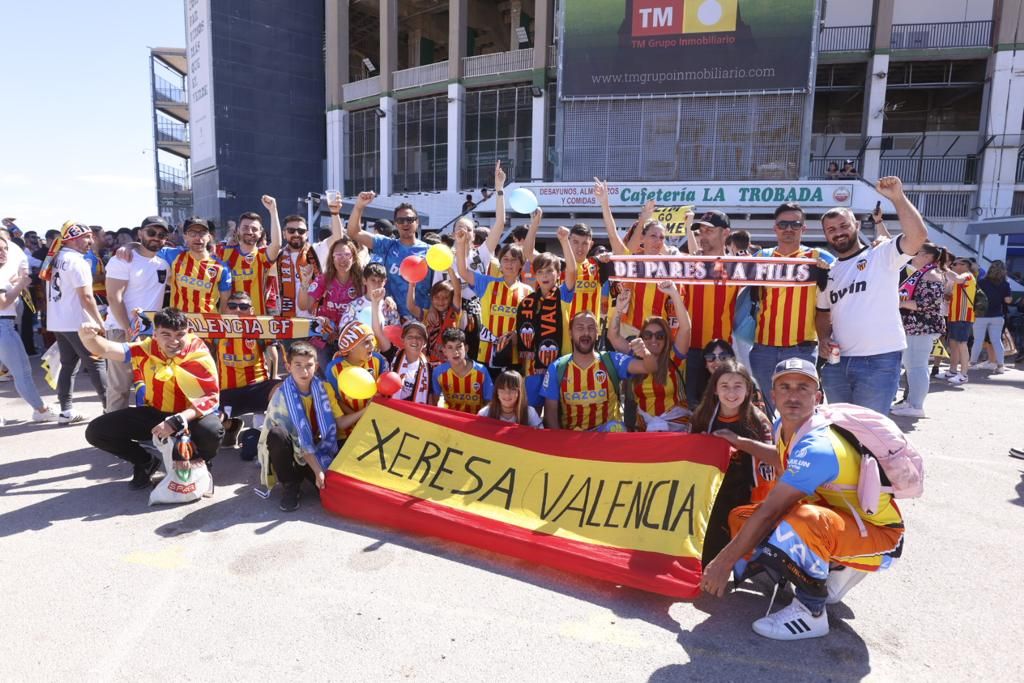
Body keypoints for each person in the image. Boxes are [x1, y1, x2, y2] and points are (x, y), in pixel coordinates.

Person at [701, 358, 904, 641]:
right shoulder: (784, 425)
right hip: (840, 522)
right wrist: (740, 442)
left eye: (803, 388)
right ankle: (821, 575)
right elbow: (781, 456)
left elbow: (772, 511)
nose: (793, 395)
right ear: (773, 395)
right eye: (784, 387)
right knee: (741, 516)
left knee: (798, 521)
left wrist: (722, 563)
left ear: (817, 397)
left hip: (879, 536)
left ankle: (811, 612)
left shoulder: (818, 446)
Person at [815, 177, 928, 414]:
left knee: (871, 434)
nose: (838, 233)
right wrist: (824, 338)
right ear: (825, 235)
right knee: (842, 432)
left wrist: (898, 198)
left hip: (878, 362)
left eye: (844, 226)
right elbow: (823, 312)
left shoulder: (881, 254)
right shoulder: (830, 271)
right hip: (837, 363)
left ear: (856, 225)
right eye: (831, 230)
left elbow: (917, 237)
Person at [80, 308, 224, 489]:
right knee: (97, 431)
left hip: (191, 417)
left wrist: (177, 421)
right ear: (155, 334)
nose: (174, 341)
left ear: (188, 332)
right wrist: (88, 338)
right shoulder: (146, 348)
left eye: (180, 334)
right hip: (156, 413)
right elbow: (107, 349)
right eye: (166, 334)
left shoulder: (197, 352)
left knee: (211, 430)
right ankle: (145, 462)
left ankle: (201, 464)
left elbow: (210, 397)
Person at [749, 203, 836, 417]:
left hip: (801, 347)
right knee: (767, 409)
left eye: (795, 224)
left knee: (801, 409)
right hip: (763, 346)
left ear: (803, 228)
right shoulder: (762, 258)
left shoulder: (820, 258)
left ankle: (797, 449)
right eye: (783, 224)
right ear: (775, 228)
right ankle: (773, 449)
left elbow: (851, 272)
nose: (789, 229)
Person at [259, 341, 365, 511]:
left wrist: (366, 411)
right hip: (293, 452)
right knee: (277, 435)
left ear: (316, 366)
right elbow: (300, 440)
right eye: (298, 365)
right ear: (288, 366)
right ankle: (290, 485)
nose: (304, 371)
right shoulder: (281, 396)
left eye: (309, 365)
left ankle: (312, 474)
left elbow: (339, 423)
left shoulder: (325, 388)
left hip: (318, 448)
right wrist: (318, 471)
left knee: (335, 494)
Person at [692, 360, 773, 564]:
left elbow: (770, 466)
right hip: (710, 491)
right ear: (715, 390)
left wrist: (738, 442)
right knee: (705, 559)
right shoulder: (702, 417)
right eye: (724, 386)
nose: (731, 392)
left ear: (748, 390)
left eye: (738, 386)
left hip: (747, 493)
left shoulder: (759, 421)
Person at [541, 311, 657, 431]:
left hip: (608, 440)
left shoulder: (612, 360)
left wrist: (645, 353)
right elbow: (550, 417)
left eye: (591, 328)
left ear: (598, 333)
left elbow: (651, 367)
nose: (586, 333)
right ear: (570, 333)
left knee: (616, 428)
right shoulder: (557, 368)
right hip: (573, 442)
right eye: (580, 328)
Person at [41, 221, 108, 422]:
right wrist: (100, 322)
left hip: (59, 321)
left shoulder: (56, 257)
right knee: (97, 364)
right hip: (78, 323)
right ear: (74, 239)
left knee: (68, 366)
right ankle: (110, 409)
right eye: (87, 237)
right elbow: (86, 297)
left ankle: (66, 410)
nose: (91, 240)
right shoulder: (78, 261)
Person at [103, 216, 170, 412]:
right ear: (140, 233)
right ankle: (113, 436)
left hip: (151, 333)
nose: (156, 238)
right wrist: (128, 328)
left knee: (151, 386)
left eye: (161, 235)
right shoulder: (123, 260)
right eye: (151, 233)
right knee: (119, 388)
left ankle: (147, 434)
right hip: (121, 330)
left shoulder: (163, 264)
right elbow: (114, 297)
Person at [607, 282, 691, 432]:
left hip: (675, 425)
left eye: (659, 336)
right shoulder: (635, 354)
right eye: (648, 335)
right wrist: (619, 309)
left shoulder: (674, 355)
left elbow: (685, 328)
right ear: (641, 338)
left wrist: (674, 294)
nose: (653, 340)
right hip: (644, 426)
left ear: (666, 338)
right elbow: (613, 337)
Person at [455, 217, 531, 374]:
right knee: (488, 396)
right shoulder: (487, 283)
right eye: (506, 260)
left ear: (521, 264)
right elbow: (463, 271)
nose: (509, 264)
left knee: (510, 395)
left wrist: (518, 337)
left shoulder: (528, 292)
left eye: (514, 260)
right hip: (485, 353)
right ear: (500, 263)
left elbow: (530, 324)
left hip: (514, 356)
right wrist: (461, 244)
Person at [0, 234, 57, 425]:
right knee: (22, 371)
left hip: (5, 324)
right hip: (3, 325)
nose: (3, 253)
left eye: (5, 248)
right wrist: (21, 285)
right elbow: (3, 303)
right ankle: (41, 410)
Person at [347, 191, 430, 320]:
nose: (405, 223)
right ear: (395, 224)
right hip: (391, 317)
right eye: (400, 220)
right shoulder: (387, 245)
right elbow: (354, 232)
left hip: (420, 319)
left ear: (417, 222)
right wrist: (359, 206)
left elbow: (438, 287)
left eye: (410, 219)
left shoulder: (429, 251)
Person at [215, 292, 281, 446]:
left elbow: (273, 353)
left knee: (283, 390)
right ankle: (231, 426)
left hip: (257, 387)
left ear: (251, 310)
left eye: (243, 307)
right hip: (228, 391)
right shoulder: (216, 329)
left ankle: (266, 441)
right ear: (226, 309)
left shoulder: (260, 327)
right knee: (209, 424)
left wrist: (275, 376)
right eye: (232, 306)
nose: (237, 310)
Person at [893, 243, 949, 418]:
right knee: (912, 365)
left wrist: (899, 303)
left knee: (917, 366)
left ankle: (916, 405)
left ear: (927, 256)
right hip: (915, 326)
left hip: (921, 327)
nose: (913, 256)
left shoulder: (931, 275)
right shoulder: (925, 273)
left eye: (917, 253)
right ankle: (911, 402)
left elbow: (927, 304)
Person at [299, 237, 364, 369]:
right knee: (328, 373)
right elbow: (304, 305)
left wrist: (387, 299)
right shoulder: (324, 279)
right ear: (332, 258)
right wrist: (305, 282)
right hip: (325, 338)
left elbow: (372, 299)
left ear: (354, 258)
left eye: (347, 255)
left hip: (351, 338)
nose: (343, 259)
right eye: (338, 255)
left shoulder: (362, 281)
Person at [214, 201, 282, 316]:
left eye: (254, 229)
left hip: (257, 320)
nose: (250, 232)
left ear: (260, 233)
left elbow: (276, 244)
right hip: (229, 321)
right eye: (245, 228)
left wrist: (273, 210)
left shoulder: (262, 255)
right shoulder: (223, 253)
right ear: (237, 231)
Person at [325, 319, 388, 438]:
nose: (372, 345)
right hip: (348, 432)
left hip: (375, 427)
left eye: (372, 340)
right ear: (351, 347)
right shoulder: (334, 369)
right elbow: (337, 400)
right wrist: (361, 418)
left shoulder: (378, 360)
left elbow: (383, 389)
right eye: (366, 342)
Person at [431, 328, 494, 414]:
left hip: (476, 421)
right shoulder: (438, 372)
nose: (455, 352)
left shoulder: (481, 371)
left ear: (466, 348)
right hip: (450, 421)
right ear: (444, 351)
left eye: (459, 347)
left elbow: (490, 402)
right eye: (450, 347)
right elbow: (434, 402)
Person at [969, 260, 1013, 374]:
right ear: (1003, 271)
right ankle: (1000, 366)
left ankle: (972, 363)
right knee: (996, 341)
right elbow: (1008, 300)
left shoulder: (982, 282)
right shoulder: (1005, 284)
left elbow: (975, 297)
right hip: (997, 316)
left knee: (978, 340)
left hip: (981, 315)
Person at [407, 275, 463, 364]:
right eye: (436, 298)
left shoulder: (455, 313)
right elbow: (411, 307)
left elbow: (458, 292)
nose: (441, 301)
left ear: (451, 299)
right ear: (431, 299)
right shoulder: (427, 315)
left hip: (447, 365)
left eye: (445, 298)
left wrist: (449, 269)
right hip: (427, 362)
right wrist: (412, 285)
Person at [942, 256, 977, 384]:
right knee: (954, 344)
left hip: (963, 316)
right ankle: (953, 371)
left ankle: (963, 374)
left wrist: (943, 267)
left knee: (962, 344)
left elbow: (957, 279)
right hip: (955, 315)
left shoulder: (967, 275)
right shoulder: (963, 278)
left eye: (955, 264)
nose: (952, 266)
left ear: (963, 265)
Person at [478, 369, 543, 427]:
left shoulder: (529, 412)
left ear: (520, 392)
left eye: (512, 389)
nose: (507, 394)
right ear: (496, 392)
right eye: (502, 389)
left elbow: (540, 434)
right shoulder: (485, 413)